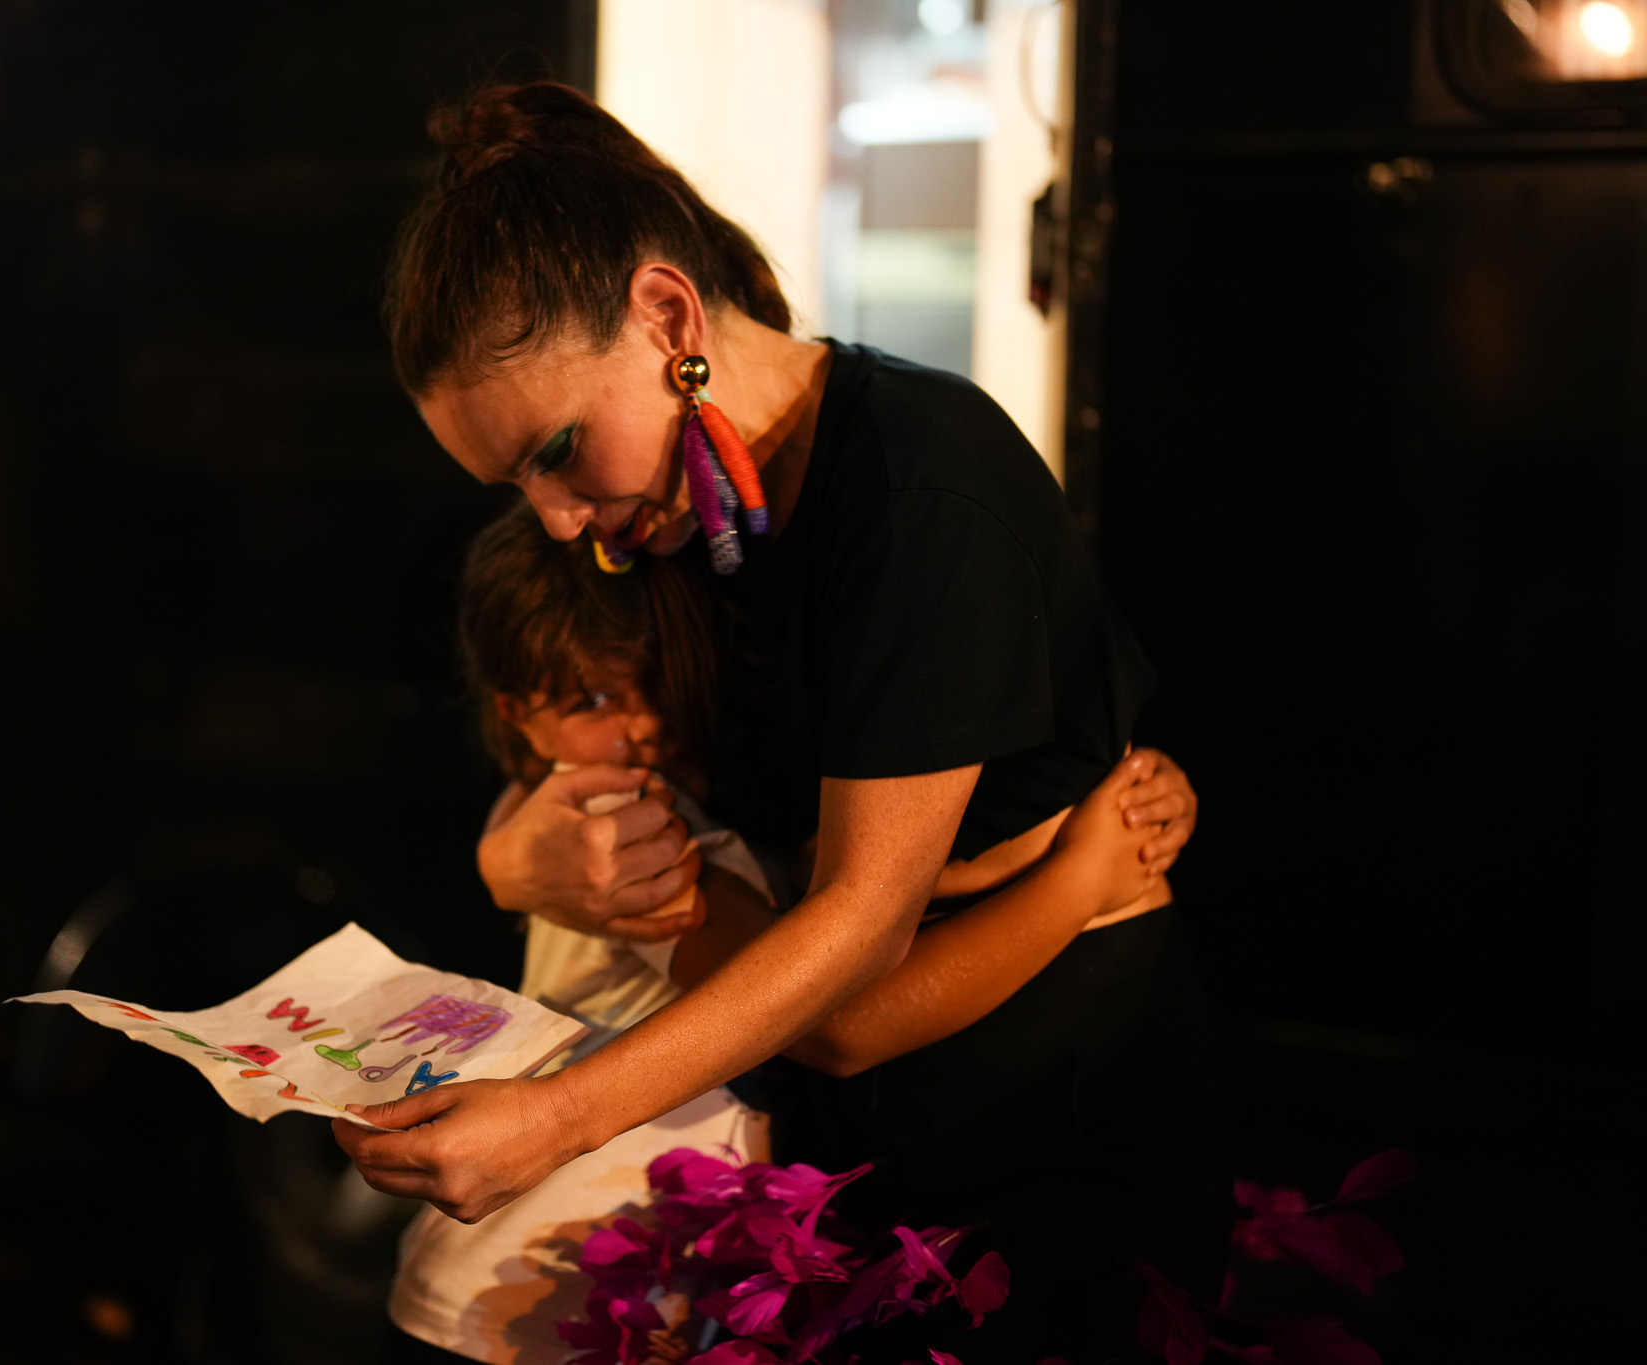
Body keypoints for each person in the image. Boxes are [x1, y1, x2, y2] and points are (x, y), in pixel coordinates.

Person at [337, 81, 1224, 1351]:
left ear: (666, 316)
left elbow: (856, 941)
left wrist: (552, 1120)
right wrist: (511, 857)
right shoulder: (666, 511)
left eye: (556, 451)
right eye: (512, 483)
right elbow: (579, 763)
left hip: (1040, 1131)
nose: (557, 521)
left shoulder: (921, 488)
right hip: (826, 1157)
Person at [387, 502, 1185, 1363]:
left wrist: (1072, 826)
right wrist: (1082, 877)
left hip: (608, 1283)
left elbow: (850, 896)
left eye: (658, 677)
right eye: (595, 700)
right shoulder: (622, 823)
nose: (643, 722)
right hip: (530, 1287)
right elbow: (829, 1018)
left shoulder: (643, 806)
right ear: (518, 714)